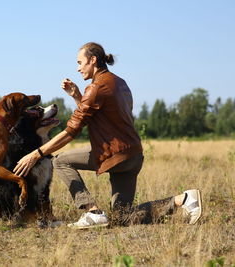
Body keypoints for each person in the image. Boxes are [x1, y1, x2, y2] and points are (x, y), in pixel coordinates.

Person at [13, 42, 202, 229]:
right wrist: (77, 96)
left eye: (80, 62)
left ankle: (92, 212)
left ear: (93, 60)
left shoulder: (96, 88)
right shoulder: (120, 83)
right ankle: (183, 199)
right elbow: (102, 115)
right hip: (133, 154)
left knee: (60, 161)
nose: (78, 68)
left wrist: (36, 153)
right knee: (123, 217)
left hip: (116, 155)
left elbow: (71, 130)